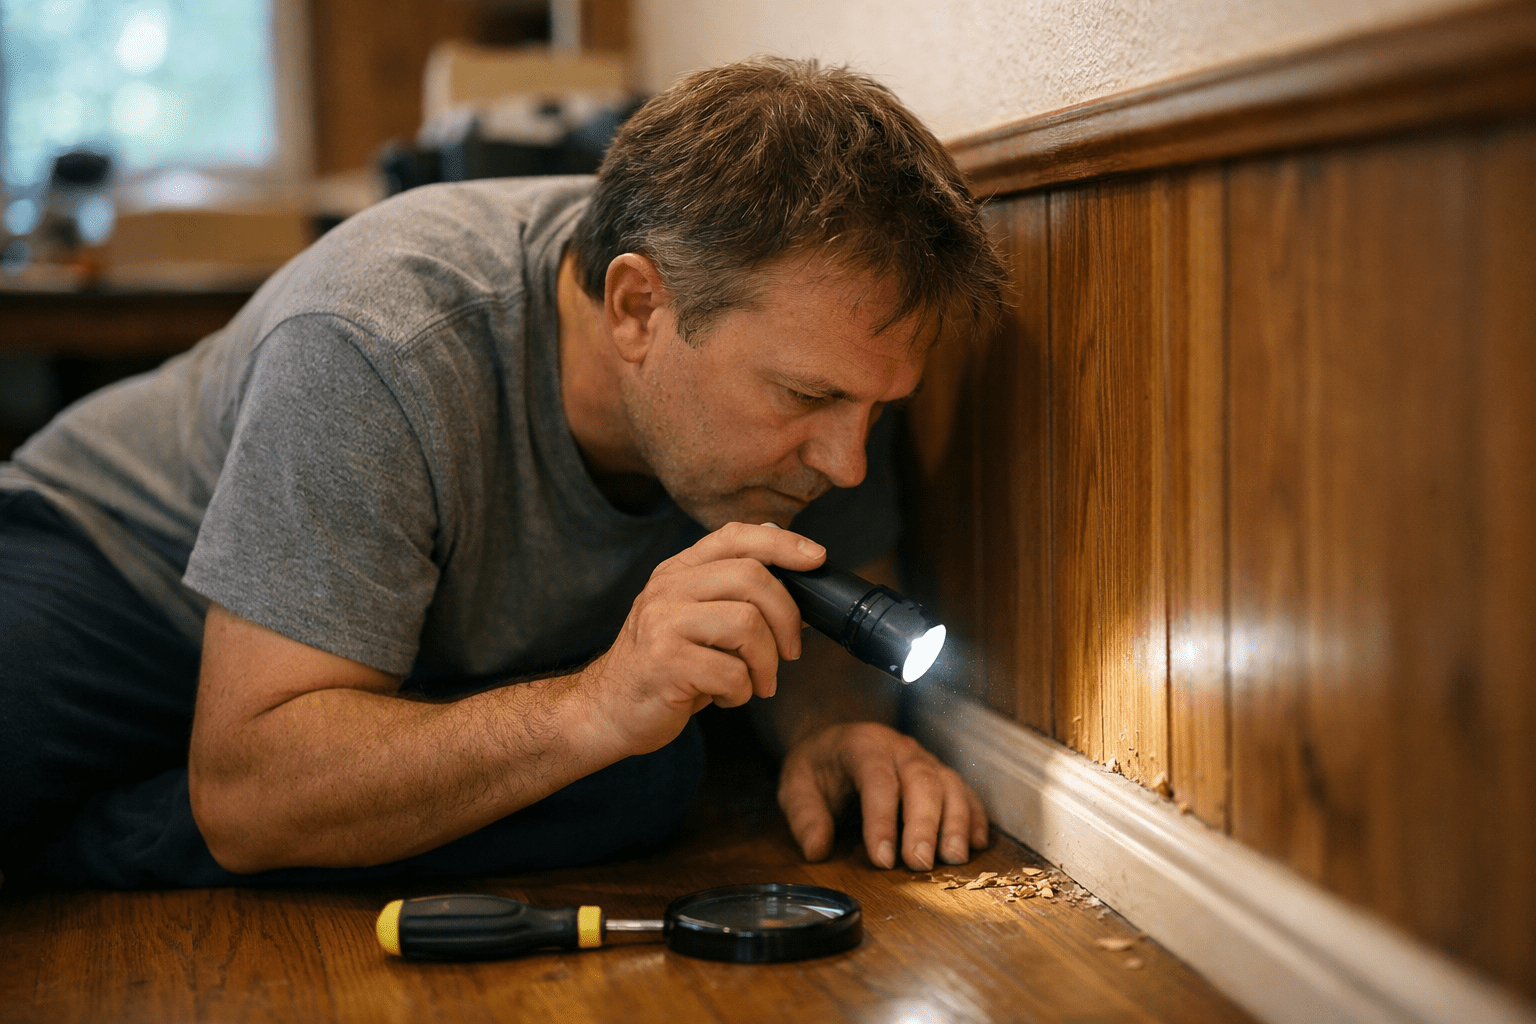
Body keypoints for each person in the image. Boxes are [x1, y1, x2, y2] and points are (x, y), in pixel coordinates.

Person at [0, 58, 1009, 889]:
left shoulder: (828, 349)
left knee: (646, 777)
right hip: (107, 570)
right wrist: (590, 704)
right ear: (637, 309)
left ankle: (171, 808)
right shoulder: (380, 337)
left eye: (880, 410)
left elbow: (835, 586)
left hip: (387, 666)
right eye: (805, 398)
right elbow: (244, 789)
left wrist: (833, 730)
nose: (847, 461)